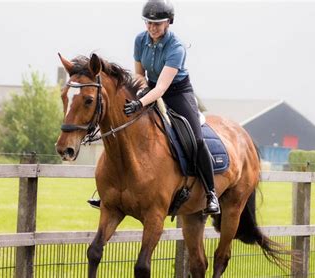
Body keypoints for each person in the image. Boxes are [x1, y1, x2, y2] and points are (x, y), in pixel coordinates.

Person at [89, 0, 220, 215]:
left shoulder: (176, 47)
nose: (152, 28)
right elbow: (140, 74)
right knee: (125, 129)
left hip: (177, 92)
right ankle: (109, 191)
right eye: (149, 23)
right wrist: (138, 91)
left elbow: (162, 87)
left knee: (195, 139)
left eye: (157, 24)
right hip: (150, 87)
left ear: (168, 22)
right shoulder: (140, 40)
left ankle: (211, 193)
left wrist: (140, 102)